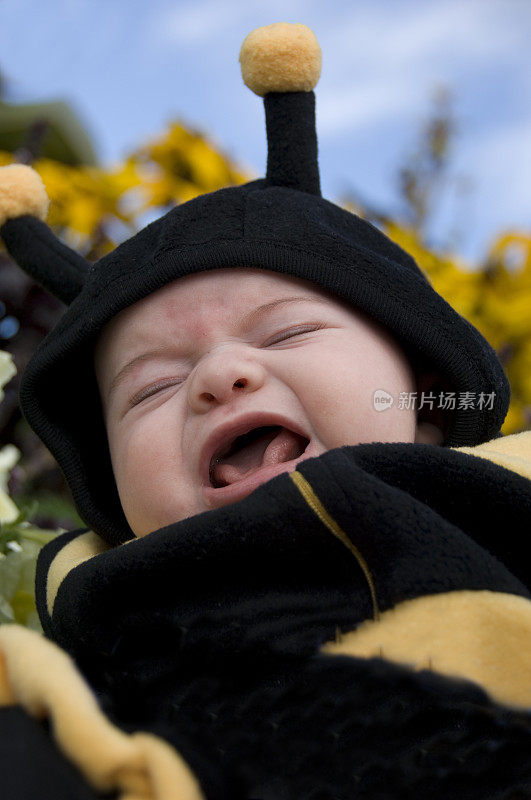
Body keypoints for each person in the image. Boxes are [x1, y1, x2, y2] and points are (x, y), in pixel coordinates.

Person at [0, 22, 530, 800]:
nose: (219, 376)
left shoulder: (503, 498)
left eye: (286, 332)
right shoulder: (91, 620)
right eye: (149, 387)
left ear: (421, 394)